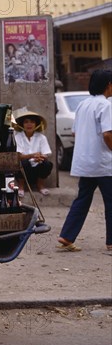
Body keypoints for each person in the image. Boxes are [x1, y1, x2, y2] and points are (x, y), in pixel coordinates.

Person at [58, 69, 112, 252]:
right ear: (108, 85)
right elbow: (107, 134)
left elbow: (75, 131)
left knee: (82, 199)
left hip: (85, 162)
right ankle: (111, 242)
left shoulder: (83, 104)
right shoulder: (106, 105)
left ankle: (67, 235)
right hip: (104, 163)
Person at [13, 108, 53, 197]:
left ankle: (40, 185)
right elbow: (18, 156)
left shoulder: (42, 137)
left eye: (32, 122)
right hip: (23, 170)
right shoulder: (18, 137)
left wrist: (40, 157)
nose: (29, 124)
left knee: (47, 164)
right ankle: (21, 187)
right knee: (22, 163)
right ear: (22, 124)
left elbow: (46, 154)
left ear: (36, 124)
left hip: (37, 169)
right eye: (26, 122)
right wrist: (32, 155)